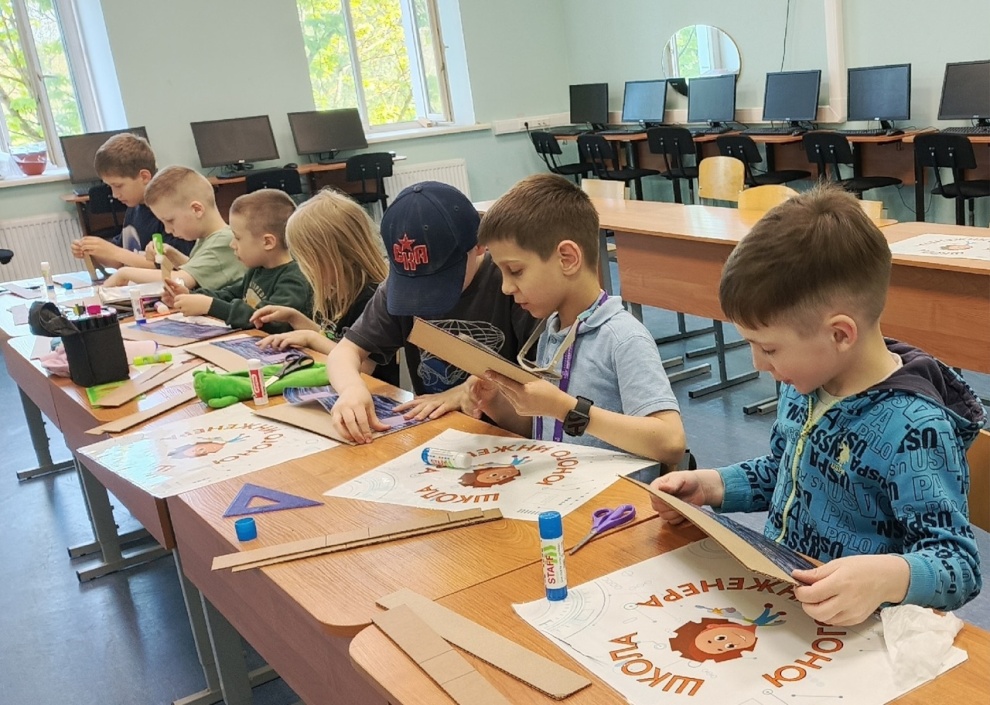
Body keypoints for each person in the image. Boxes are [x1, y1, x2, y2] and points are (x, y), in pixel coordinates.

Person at [650, 184, 984, 626]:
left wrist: (887, 577)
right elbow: (785, 471)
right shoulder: (805, 382)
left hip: (860, 632)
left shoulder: (915, 429)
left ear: (840, 334)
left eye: (769, 348)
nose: (758, 364)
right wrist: (712, 486)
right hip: (788, 606)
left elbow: (958, 566)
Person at [460, 173, 685, 464]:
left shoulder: (622, 338)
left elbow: (670, 442)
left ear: (567, 258)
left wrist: (566, 409)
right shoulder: (552, 332)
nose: (505, 287)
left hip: (614, 492)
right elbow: (546, 430)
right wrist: (496, 403)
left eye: (515, 271)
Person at [325, 181, 537, 443]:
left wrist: (461, 394)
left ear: (479, 245)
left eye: (441, 279)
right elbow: (344, 352)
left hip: (507, 434)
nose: (424, 293)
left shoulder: (512, 284)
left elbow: (539, 388)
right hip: (439, 432)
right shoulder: (395, 287)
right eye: (415, 282)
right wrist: (351, 389)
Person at [252, 189, 397, 383]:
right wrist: (295, 318)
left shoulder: (371, 297)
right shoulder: (337, 291)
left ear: (338, 256)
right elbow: (333, 339)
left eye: (308, 260)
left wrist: (311, 338)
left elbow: (365, 366)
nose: (303, 268)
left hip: (374, 390)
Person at [166, 189, 312, 333]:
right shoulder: (258, 269)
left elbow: (268, 321)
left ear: (267, 242)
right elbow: (230, 295)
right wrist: (192, 295)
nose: (232, 244)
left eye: (237, 238)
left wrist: (210, 306)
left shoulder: (295, 280)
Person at [103, 166, 246, 290]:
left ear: (196, 210)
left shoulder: (223, 242)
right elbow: (199, 271)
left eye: (170, 221)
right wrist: (173, 255)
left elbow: (181, 280)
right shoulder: (207, 240)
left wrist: (125, 273)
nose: (167, 230)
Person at [71, 133, 194, 269]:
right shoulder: (134, 208)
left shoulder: (169, 215)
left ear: (144, 177)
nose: (114, 194)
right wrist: (93, 250)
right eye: (110, 186)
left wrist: (115, 252)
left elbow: (170, 266)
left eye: (118, 186)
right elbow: (120, 262)